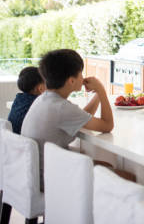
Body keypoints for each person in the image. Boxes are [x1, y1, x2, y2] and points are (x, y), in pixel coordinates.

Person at [21, 49, 114, 185]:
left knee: (96, 162)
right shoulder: (62, 108)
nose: (83, 77)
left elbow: (82, 118)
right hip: (53, 181)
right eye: (81, 73)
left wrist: (98, 94)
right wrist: (101, 90)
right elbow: (107, 126)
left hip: (36, 175)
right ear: (71, 80)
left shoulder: (44, 99)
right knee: (124, 177)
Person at [7, 66, 45, 134]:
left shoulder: (19, 99)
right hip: (25, 141)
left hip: (12, 140)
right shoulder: (38, 103)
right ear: (40, 87)